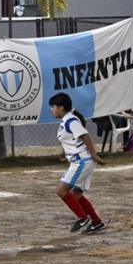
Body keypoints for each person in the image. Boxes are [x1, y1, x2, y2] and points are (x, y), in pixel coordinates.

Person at [49, 92, 107, 234]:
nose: (52, 109)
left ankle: (82, 217)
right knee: (77, 194)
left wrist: (94, 155)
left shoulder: (71, 121)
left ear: (61, 107)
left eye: (53, 106)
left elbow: (85, 135)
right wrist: (64, 151)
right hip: (81, 160)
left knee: (61, 190)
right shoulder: (66, 121)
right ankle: (96, 222)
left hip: (82, 161)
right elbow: (73, 139)